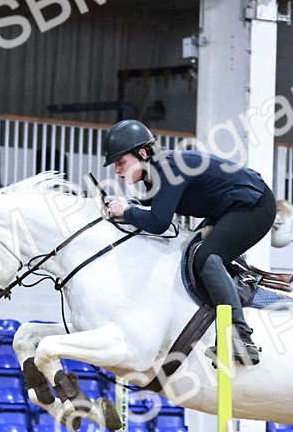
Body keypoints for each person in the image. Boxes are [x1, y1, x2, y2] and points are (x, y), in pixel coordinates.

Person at [102, 119, 273, 365]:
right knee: (191, 252)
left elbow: (159, 222)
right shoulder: (153, 175)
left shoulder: (167, 167)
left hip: (255, 206)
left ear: (141, 153)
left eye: (120, 162)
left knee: (206, 256)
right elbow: (155, 210)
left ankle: (240, 336)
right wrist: (127, 207)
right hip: (228, 208)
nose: (117, 170)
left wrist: (126, 210)